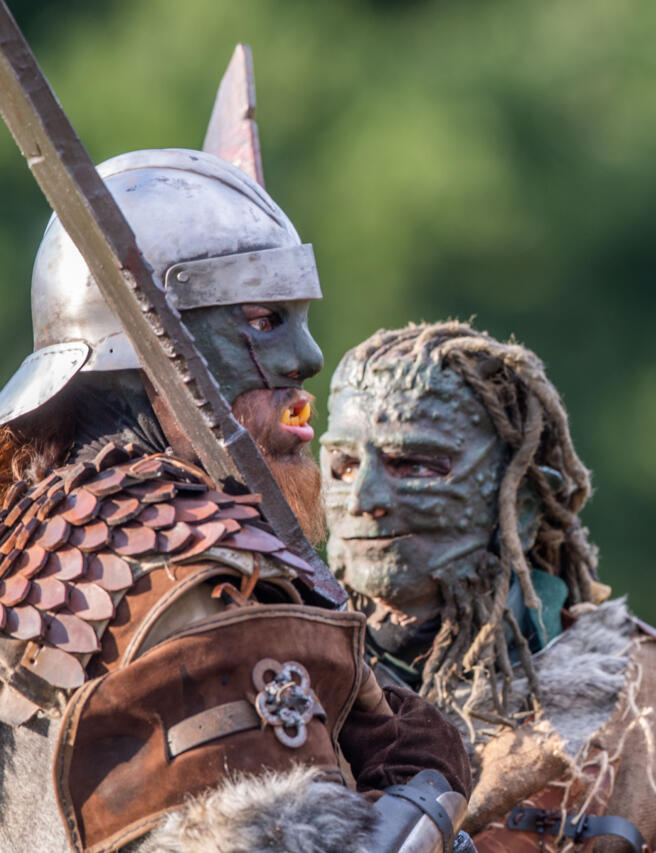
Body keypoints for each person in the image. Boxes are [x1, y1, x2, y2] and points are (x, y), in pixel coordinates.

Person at [0, 84, 469, 852]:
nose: (307, 357)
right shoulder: (205, 574)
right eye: (261, 320)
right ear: (147, 351)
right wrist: (422, 788)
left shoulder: (28, 534)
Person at [322, 321, 656, 852]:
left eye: (416, 465)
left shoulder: (652, 697)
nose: (362, 498)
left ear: (520, 507)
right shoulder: (284, 682)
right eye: (343, 466)